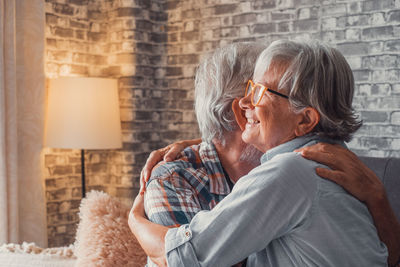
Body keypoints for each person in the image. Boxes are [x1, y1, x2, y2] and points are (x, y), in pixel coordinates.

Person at [129, 39, 389, 266]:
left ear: (305, 120)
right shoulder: (338, 162)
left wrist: (135, 221)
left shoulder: (288, 173)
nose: (244, 103)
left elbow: (184, 258)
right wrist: (201, 142)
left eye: (259, 91)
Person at [139, 42, 266, 266]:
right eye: (267, 94)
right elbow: (190, 260)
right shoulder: (172, 179)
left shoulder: (285, 166)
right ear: (244, 109)